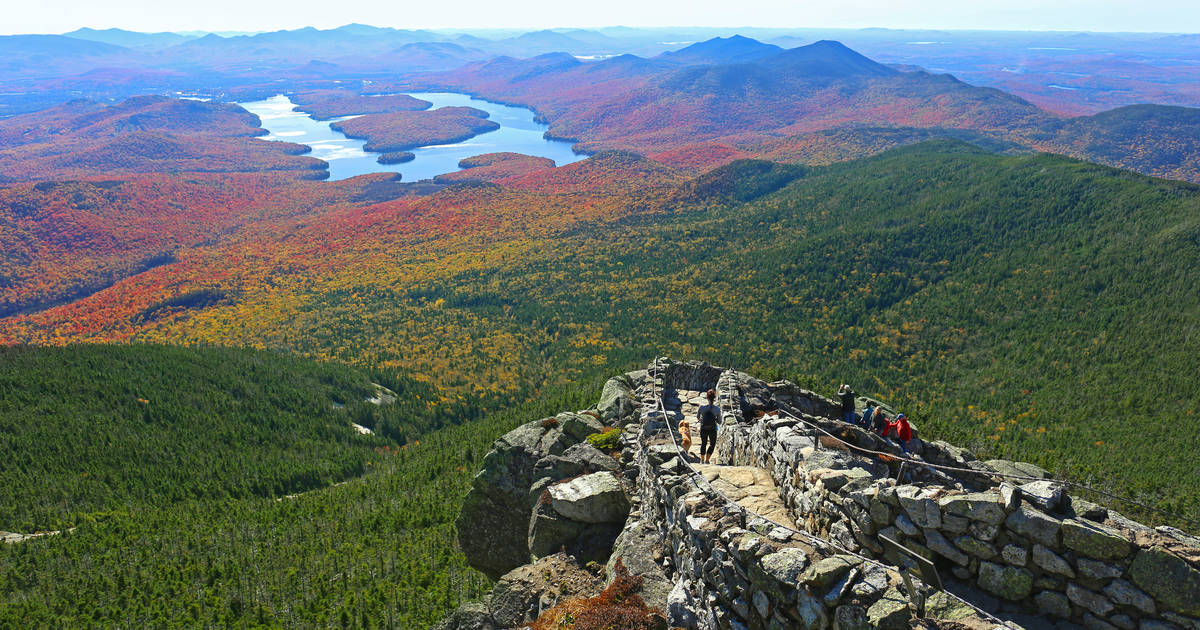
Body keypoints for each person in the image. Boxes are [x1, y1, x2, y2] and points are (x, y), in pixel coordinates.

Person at [697, 389, 721, 464]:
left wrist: (701, 419)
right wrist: (715, 419)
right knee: (712, 444)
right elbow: (720, 421)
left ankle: (702, 460)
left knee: (703, 443)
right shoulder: (717, 409)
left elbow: (697, 417)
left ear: (707, 397)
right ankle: (707, 460)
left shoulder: (701, 407)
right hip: (712, 429)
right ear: (714, 398)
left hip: (703, 428)